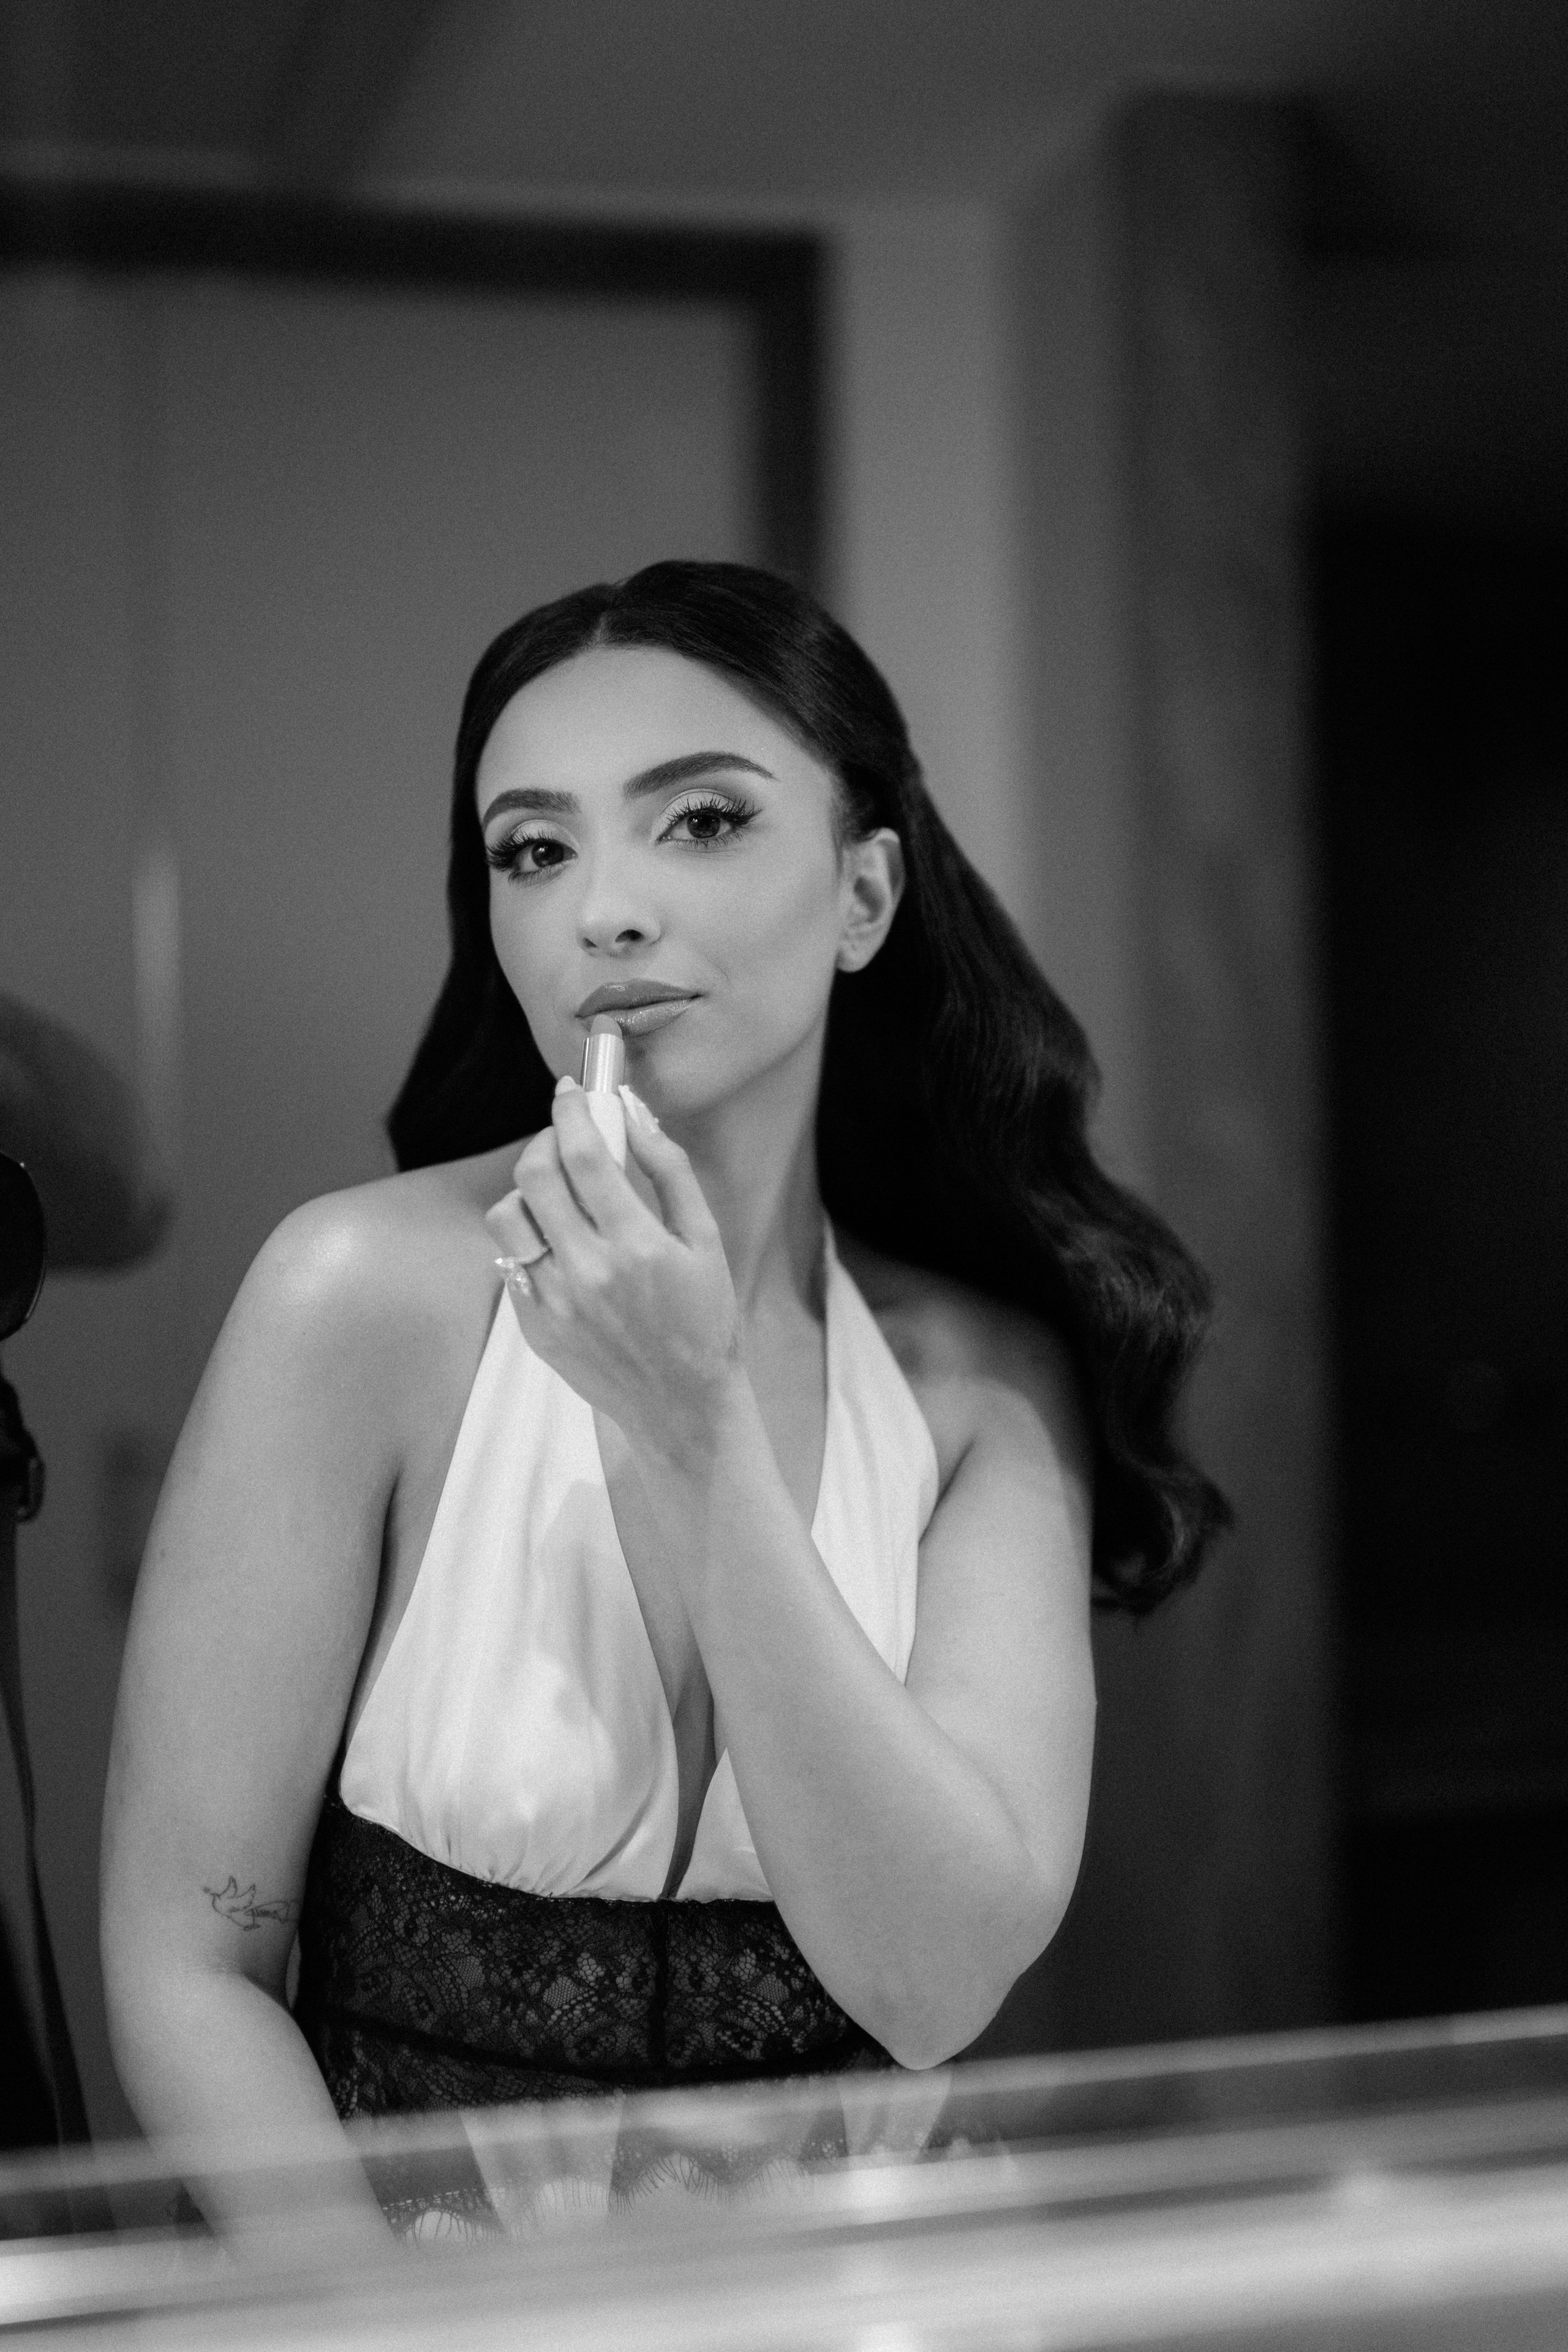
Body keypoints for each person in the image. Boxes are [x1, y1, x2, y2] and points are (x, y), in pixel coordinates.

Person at [100, 562, 1227, 2233]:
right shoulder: (357, 1299)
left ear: (863, 895)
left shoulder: (982, 1388)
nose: (604, 911)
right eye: (535, 849)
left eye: (699, 822)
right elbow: (189, 1963)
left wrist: (690, 1424)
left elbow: (933, 1982)